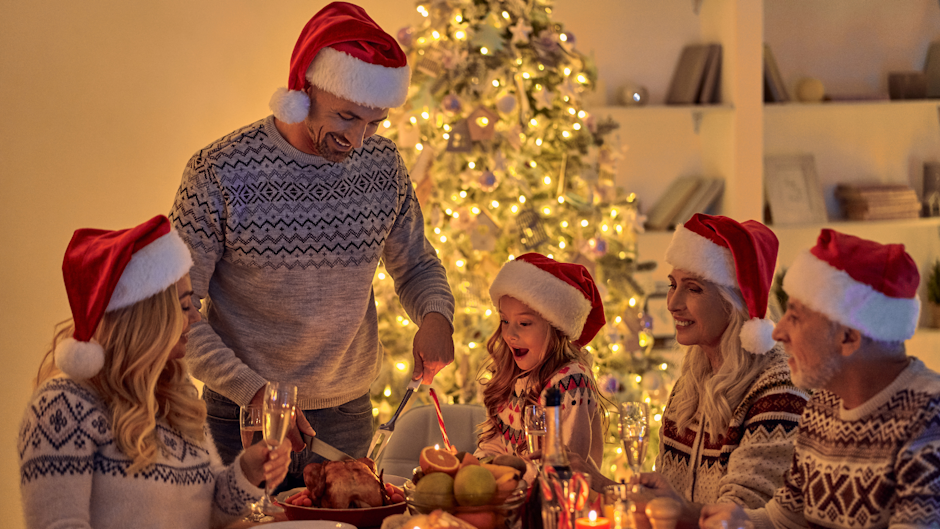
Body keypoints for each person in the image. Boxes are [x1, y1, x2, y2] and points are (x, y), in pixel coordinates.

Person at [169, 1, 456, 489]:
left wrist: (435, 316)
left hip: (346, 416)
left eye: (374, 123)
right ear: (305, 88)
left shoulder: (382, 166)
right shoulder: (219, 171)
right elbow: (175, 311)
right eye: (346, 117)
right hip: (240, 417)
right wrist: (252, 391)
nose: (359, 139)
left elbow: (416, 266)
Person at [18, 215, 291, 529]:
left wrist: (247, 471)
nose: (196, 319)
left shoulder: (177, 393)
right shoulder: (63, 406)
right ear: (148, 318)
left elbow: (206, 514)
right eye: (185, 305)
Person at [701, 229, 940, 529]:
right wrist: (742, 521)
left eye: (796, 317)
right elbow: (786, 519)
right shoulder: (822, 405)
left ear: (848, 338)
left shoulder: (929, 419)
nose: (777, 332)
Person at [475, 253, 607, 481]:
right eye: (504, 320)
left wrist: (502, 478)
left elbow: (564, 470)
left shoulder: (572, 382)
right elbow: (493, 449)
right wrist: (475, 470)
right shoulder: (513, 376)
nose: (509, 334)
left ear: (556, 328)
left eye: (524, 323)